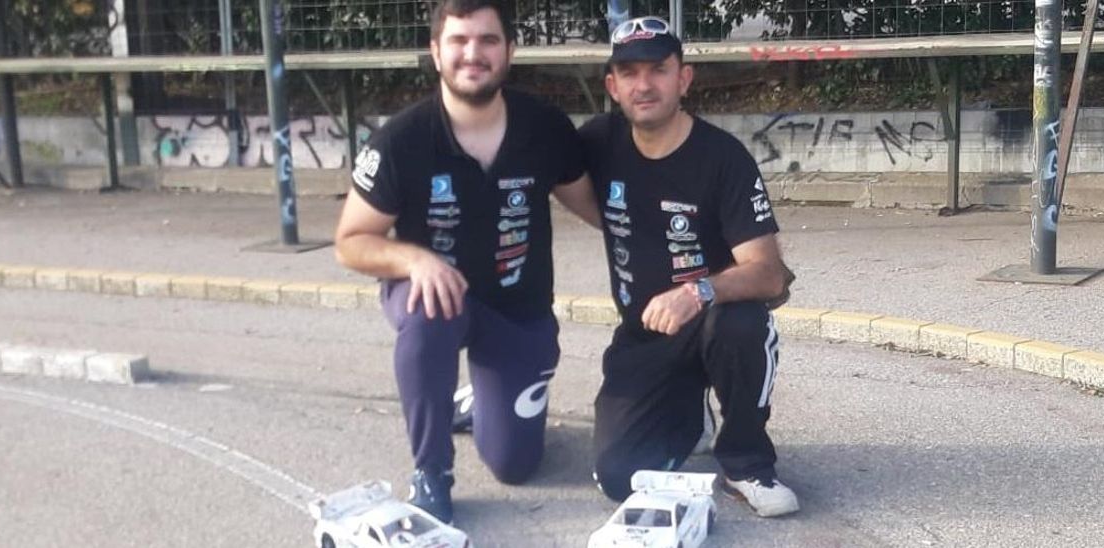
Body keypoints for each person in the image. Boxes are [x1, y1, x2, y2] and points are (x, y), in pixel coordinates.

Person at [333, 0, 600, 524]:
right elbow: (351, 241)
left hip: (517, 308)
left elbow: (597, 209)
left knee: (514, 465)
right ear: (436, 52)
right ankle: (431, 471)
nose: (472, 53)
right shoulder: (400, 141)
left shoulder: (545, 129)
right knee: (429, 312)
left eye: (487, 40)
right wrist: (412, 260)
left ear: (509, 52)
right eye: (458, 41)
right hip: (436, 295)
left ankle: (480, 400)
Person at [577, 16, 800, 517]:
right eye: (629, 73)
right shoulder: (598, 141)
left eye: (658, 69)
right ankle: (689, 417)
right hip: (645, 336)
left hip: (712, 323)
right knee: (620, 478)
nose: (644, 84)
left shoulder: (724, 157)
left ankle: (745, 461)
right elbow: (547, 171)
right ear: (612, 86)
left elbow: (769, 273)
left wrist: (695, 292)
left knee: (743, 322)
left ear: (684, 78)